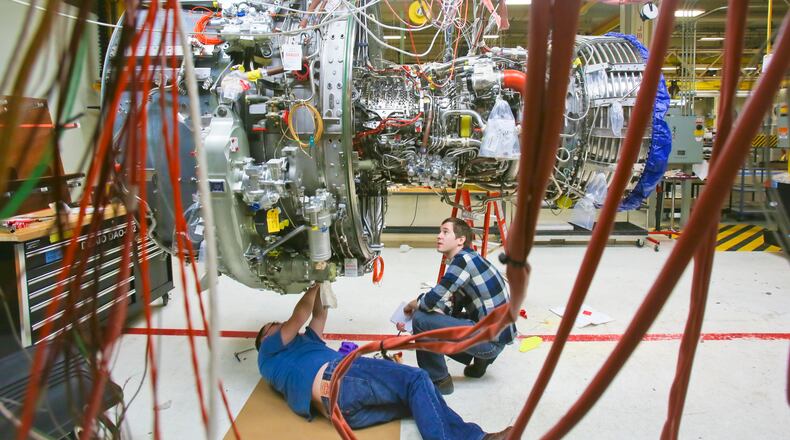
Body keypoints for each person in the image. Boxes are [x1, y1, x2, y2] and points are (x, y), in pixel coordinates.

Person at [256, 283, 512, 440]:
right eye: (273, 326)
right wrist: (313, 283)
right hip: (339, 377)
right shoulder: (268, 351)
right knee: (418, 379)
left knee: (418, 399)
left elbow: (317, 316)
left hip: (341, 411)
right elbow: (298, 316)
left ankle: (475, 438)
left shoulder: (305, 344)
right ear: (266, 336)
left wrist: (324, 283)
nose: (278, 326)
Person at [402, 217, 517, 395]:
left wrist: (413, 304)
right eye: (439, 232)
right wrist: (429, 318)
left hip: (490, 341)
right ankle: (481, 361)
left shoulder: (462, 261)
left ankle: (439, 380)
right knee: (429, 319)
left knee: (421, 318)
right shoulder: (470, 258)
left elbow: (430, 300)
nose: (439, 236)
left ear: (460, 240)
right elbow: (450, 305)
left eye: (445, 232)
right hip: (496, 335)